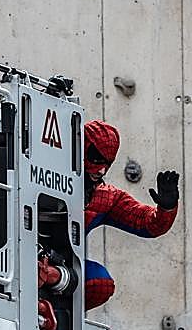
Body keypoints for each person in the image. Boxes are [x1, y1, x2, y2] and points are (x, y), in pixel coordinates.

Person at [39, 120, 179, 311]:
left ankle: (56, 312)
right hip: (18, 257)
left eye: (107, 162)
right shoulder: (39, 172)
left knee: (100, 284)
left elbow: (148, 223)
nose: (102, 170)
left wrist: (167, 208)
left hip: (59, 268)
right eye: (96, 158)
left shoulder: (104, 197)